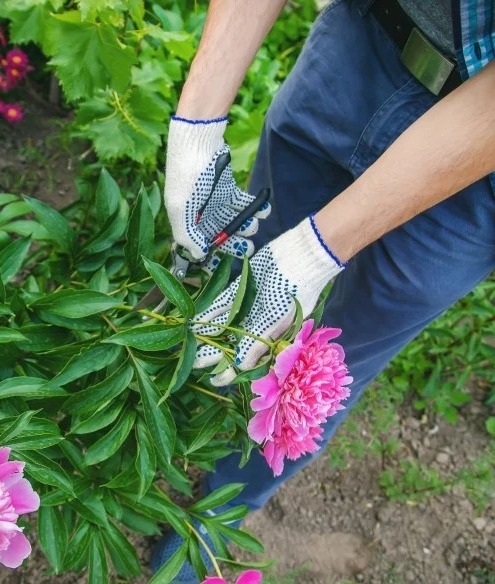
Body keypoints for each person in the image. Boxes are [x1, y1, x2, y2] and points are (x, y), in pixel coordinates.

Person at [152, 0, 495, 581]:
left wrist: (313, 256)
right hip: (365, 39)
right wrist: (196, 127)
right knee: (246, 269)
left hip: (480, 169)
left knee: (329, 366)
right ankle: (166, 399)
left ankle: (221, 505)